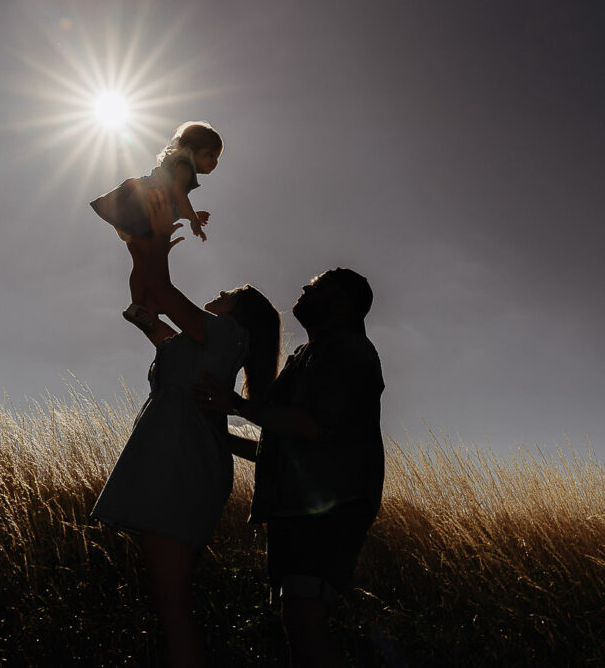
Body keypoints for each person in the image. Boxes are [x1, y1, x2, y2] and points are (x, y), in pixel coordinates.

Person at [91, 189, 280, 668]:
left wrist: (154, 241)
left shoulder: (222, 335)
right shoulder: (198, 341)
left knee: (173, 604)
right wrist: (141, 250)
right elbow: (144, 308)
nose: (219, 294)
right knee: (168, 600)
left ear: (241, 314)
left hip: (181, 465)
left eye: (229, 294)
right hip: (173, 460)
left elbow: (162, 293)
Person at [196, 267, 385, 668]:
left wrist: (237, 406)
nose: (303, 287)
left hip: (330, 507)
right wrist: (219, 437)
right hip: (298, 508)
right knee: (297, 623)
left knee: (303, 620)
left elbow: (314, 426)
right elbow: (281, 444)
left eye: (316, 287)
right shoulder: (307, 356)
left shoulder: (350, 351)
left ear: (341, 305)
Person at [89, 121, 223, 331]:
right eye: (211, 155)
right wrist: (194, 221)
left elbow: (170, 199)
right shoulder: (184, 167)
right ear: (192, 150)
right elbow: (177, 195)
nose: (215, 162)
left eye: (217, 158)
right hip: (139, 211)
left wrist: (191, 214)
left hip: (133, 207)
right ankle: (142, 304)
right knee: (146, 261)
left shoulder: (177, 164)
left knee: (141, 262)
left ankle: (140, 304)